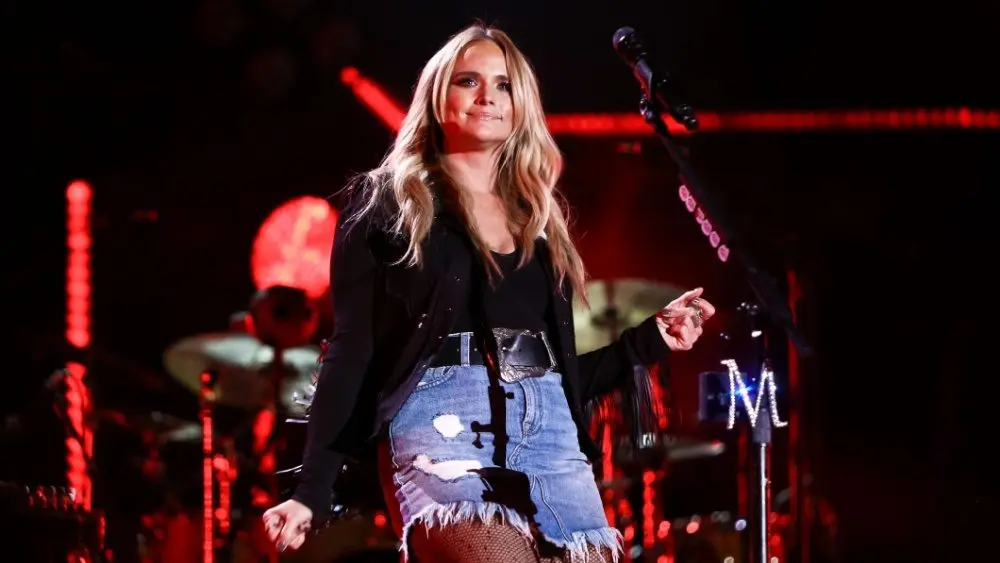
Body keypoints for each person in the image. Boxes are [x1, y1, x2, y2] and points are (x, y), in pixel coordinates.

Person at [263, 23, 716, 563]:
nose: (488, 97)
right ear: (438, 96)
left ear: (521, 104)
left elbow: (558, 378)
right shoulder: (388, 204)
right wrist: (311, 490)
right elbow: (352, 350)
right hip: (442, 427)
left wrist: (648, 340)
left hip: (550, 436)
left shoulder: (538, 222)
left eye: (504, 85)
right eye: (469, 81)